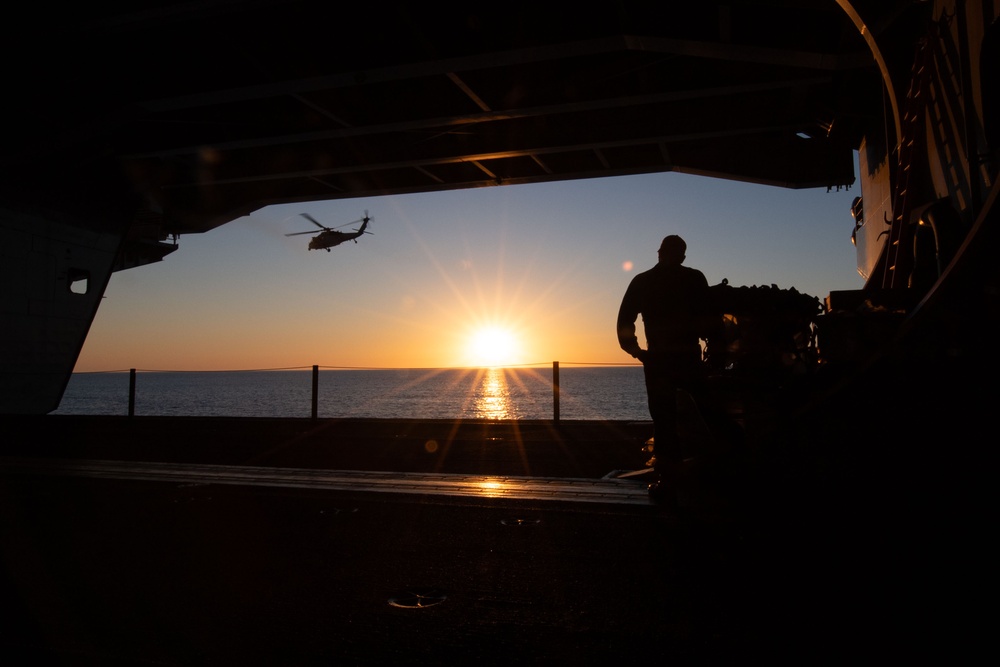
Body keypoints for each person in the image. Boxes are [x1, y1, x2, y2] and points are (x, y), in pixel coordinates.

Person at [617, 235, 734, 502]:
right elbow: (710, 317)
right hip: (688, 358)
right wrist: (717, 347)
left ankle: (669, 481)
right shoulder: (694, 278)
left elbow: (625, 319)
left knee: (664, 421)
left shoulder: (643, 281)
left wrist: (636, 351)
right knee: (711, 413)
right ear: (681, 256)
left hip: (658, 360)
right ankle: (732, 463)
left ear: (660, 253)